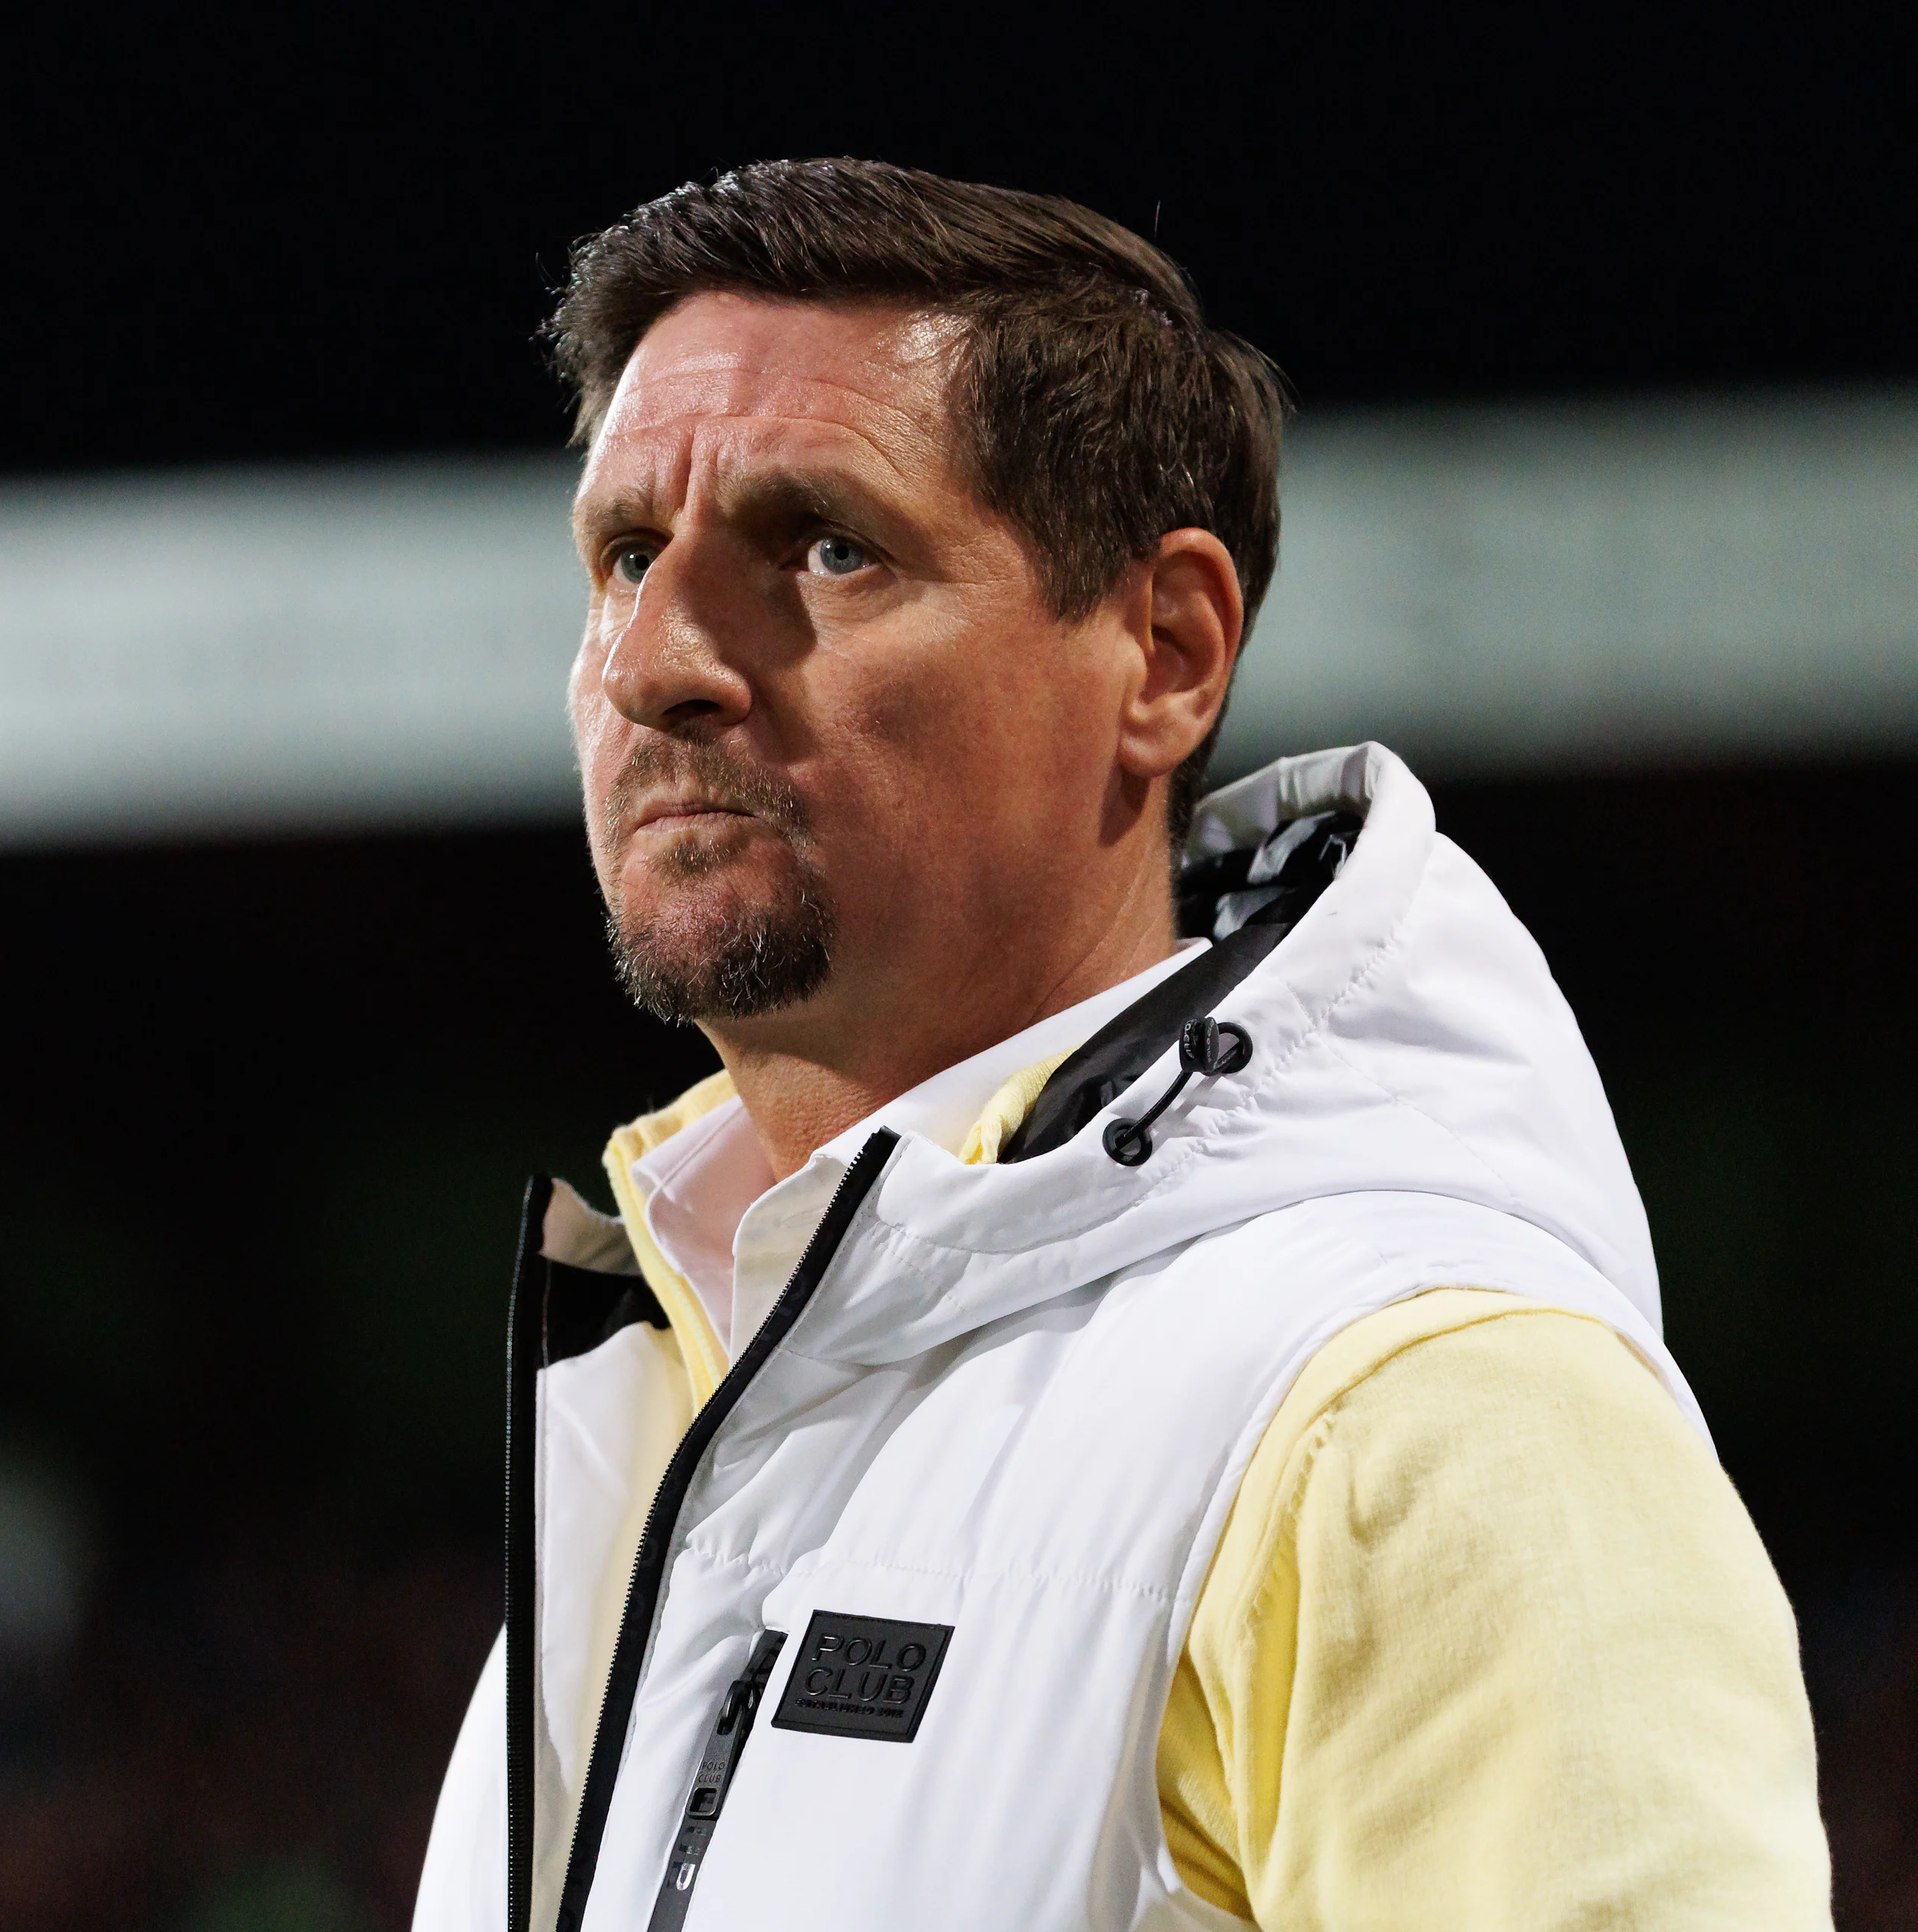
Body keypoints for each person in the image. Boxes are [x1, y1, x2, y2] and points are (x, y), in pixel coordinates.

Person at [413, 160, 1827, 1932]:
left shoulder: (1429, 1419)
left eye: (827, 545)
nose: (658, 659)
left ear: (1164, 649)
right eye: (626, 555)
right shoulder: (661, 1428)